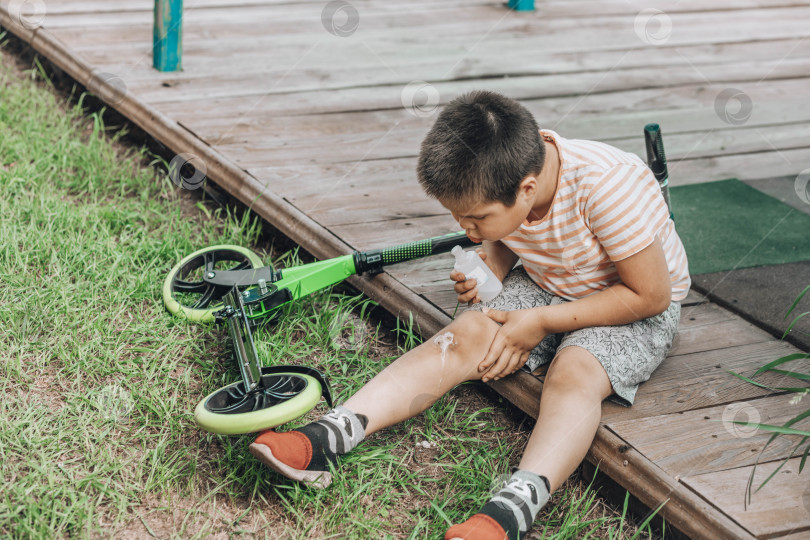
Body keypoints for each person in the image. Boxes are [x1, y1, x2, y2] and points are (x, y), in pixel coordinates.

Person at [248, 90, 690, 540]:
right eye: (459, 218)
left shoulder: (606, 188)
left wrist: (539, 322)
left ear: (526, 190)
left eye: (476, 219)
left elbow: (649, 295)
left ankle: (513, 510)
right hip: (549, 281)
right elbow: (510, 233)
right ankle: (332, 433)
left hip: (630, 306)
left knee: (574, 371)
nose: (466, 230)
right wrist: (493, 265)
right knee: (464, 335)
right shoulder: (512, 178)